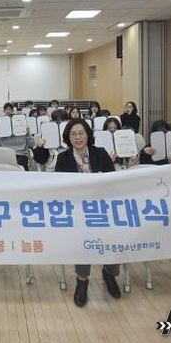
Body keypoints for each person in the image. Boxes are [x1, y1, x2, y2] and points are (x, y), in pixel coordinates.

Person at [54, 119, 119, 306]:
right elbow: (58, 187)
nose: (78, 137)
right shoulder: (63, 158)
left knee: (115, 234)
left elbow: (113, 181)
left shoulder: (100, 153)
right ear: (68, 138)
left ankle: (109, 273)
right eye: (73, 134)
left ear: (88, 135)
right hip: (77, 209)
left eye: (81, 133)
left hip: (103, 207)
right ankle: (82, 280)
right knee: (83, 236)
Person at [0, 102, 33, 170]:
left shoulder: (21, 123)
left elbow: (31, 144)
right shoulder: (0, 124)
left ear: (13, 110)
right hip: (5, 154)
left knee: (21, 168)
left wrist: (28, 133)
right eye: (6, 110)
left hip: (20, 154)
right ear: (4, 111)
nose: (8, 111)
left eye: (10, 109)